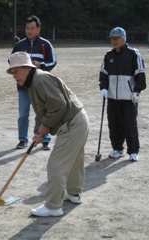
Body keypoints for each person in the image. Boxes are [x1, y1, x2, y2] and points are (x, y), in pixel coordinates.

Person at [7, 51, 89, 217]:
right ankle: (73, 194)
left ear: (26, 68)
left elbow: (59, 106)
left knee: (56, 165)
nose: (14, 76)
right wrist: (39, 131)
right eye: (12, 72)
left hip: (72, 123)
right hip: (78, 121)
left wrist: (44, 129)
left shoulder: (40, 80)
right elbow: (42, 111)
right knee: (73, 162)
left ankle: (53, 206)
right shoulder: (33, 82)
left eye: (16, 71)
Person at [99, 27, 146, 162]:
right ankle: (117, 149)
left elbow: (140, 75)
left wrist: (137, 91)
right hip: (112, 97)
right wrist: (103, 87)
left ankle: (133, 151)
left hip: (129, 98)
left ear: (123, 38)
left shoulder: (133, 54)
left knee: (129, 124)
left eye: (116, 38)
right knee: (114, 125)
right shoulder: (108, 55)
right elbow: (103, 74)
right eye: (112, 39)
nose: (114, 41)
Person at [12, 15, 57, 150]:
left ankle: (44, 139)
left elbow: (53, 62)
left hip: (40, 87)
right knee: (23, 114)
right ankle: (23, 139)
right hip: (23, 87)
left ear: (38, 29)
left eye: (32, 28)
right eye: (27, 28)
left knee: (42, 114)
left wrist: (41, 65)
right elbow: (11, 61)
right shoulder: (19, 45)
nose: (29, 31)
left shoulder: (45, 44)